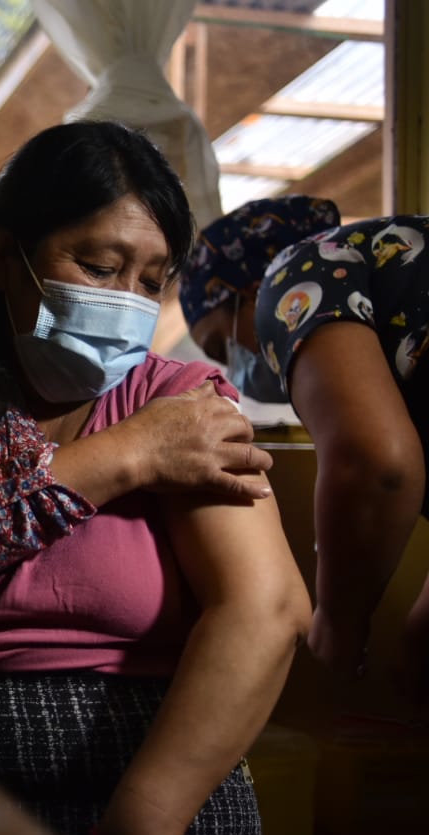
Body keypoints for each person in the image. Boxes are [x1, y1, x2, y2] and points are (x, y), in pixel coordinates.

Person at [0, 121, 310, 835]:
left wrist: (144, 820)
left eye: (150, 281)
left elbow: (266, 608)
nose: (129, 302)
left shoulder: (186, 403)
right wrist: (128, 455)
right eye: (101, 266)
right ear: (8, 256)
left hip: (161, 791)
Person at [181, 195, 429, 705]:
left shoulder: (298, 267)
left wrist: (338, 624)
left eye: (220, 346)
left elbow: (377, 464)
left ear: (249, 293)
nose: (234, 368)